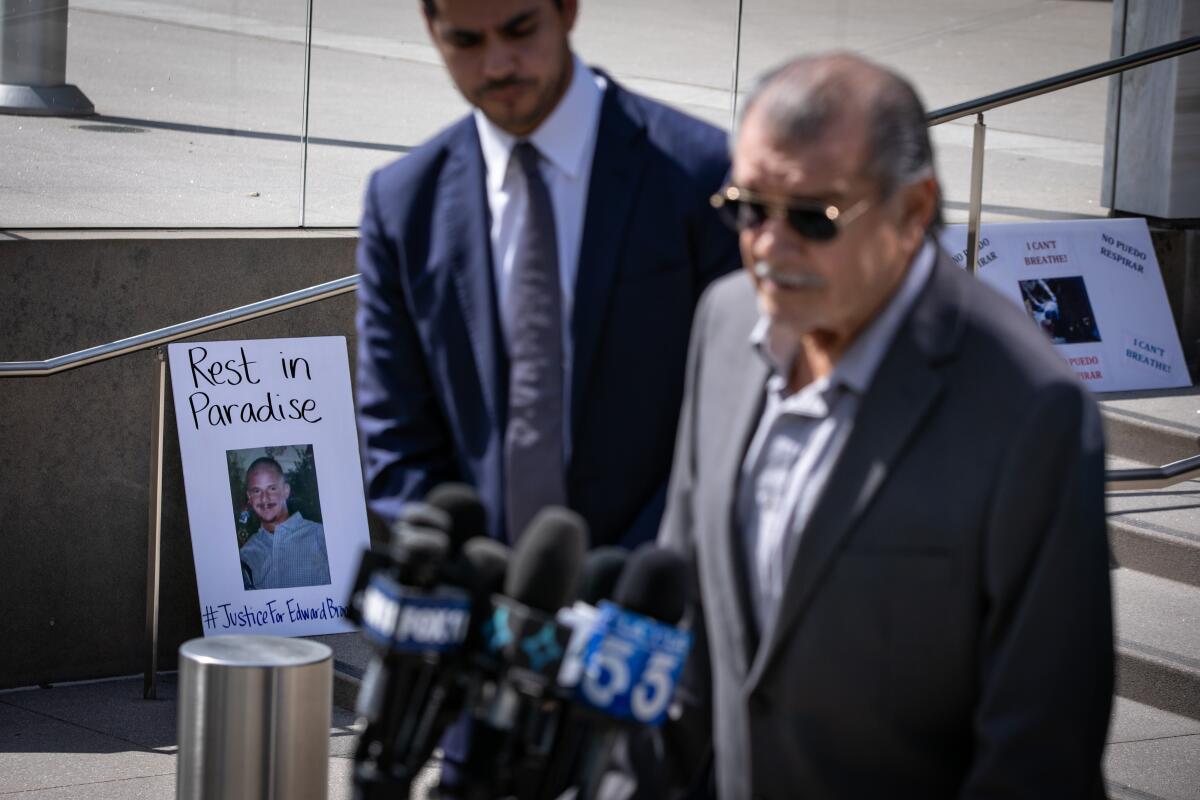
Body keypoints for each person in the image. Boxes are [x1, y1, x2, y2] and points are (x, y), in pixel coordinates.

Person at [658, 53, 1113, 799]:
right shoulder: (723, 320)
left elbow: (1039, 750)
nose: (769, 247)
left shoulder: (1032, 410)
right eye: (749, 207)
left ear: (911, 213)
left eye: (813, 216)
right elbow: (680, 624)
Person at [355, 0, 739, 548]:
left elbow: (732, 414)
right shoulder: (401, 203)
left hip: (659, 598)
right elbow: (396, 433)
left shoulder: (700, 174)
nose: (497, 65)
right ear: (431, 30)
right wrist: (462, 573)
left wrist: (632, 582)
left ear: (567, 11)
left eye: (519, 30)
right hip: (476, 608)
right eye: (466, 41)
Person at [239, 457, 331, 590]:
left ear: (286, 491)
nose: (264, 498)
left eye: (272, 489)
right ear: (249, 497)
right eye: (257, 491)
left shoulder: (321, 536)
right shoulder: (246, 554)